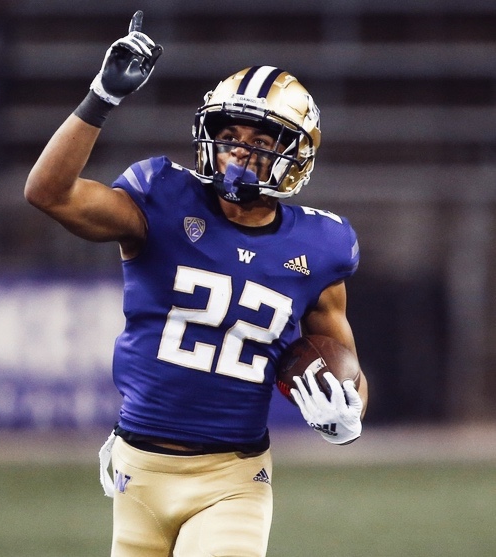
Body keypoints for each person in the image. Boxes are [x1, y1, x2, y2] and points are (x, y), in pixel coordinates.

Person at [25, 10, 368, 557]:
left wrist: (348, 416)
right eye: (229, 135)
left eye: (261, 140)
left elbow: (346, 369)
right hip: (137, 470)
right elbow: (48, 193)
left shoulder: (321, 246)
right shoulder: (161, 199)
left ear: (295, 154)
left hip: (232, 477)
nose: (239, 151)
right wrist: (100, 99)